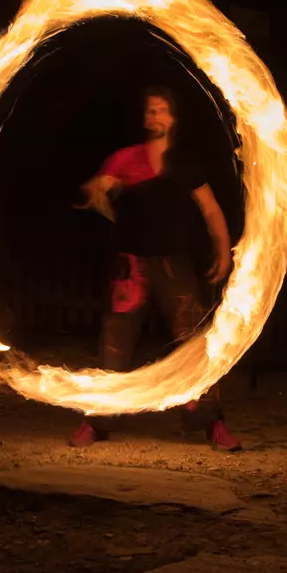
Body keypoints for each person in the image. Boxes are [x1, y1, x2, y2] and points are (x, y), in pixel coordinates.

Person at [71, 86, 240, 451]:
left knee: (193, 344)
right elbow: (98, 189)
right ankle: (96, 422)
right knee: (114, 346)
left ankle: (212, 423)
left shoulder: (185, 163)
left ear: (173, 120)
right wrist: (99, 190)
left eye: (161, 110)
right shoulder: (126, 159)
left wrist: (224, 252)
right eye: (150, 111)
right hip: (130, 265)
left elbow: (210, 210)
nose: (154, 117)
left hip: (172, 264)